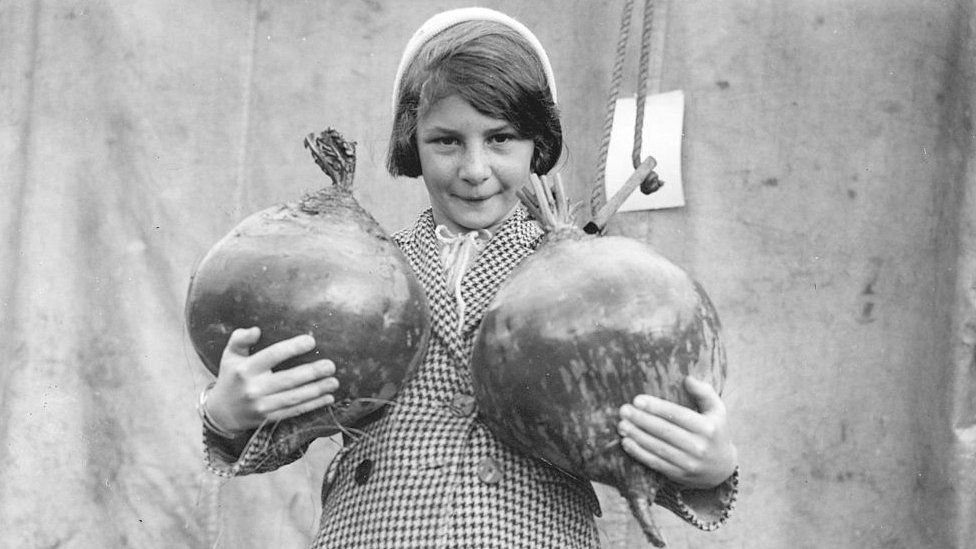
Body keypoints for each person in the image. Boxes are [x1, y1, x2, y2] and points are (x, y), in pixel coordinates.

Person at [197, 7, 738, 548]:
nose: (474, 169)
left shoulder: (595, 286)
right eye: (446, 141)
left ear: (538, 145)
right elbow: (296, 414)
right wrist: (226, 417)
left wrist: (709, 468)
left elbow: (633, 438)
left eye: (501, 138)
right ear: (413, 143)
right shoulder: (359, 277)